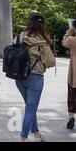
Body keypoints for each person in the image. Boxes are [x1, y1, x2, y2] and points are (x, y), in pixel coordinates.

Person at [14, 13, 56, 142]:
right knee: (31, 108)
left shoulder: (21, 36)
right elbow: (50, 61)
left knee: (30, 106)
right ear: (42, 25)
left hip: (19, 76)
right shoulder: (43, 41)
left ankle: (36, 132)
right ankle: (23, 137)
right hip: (35, 77)